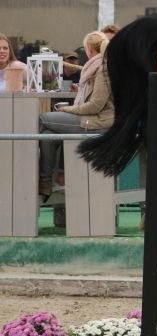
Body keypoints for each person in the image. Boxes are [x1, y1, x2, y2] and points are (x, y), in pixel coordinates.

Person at [38, 31, 113, 224]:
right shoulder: (97, 67)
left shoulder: (103, 69)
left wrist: (68, 109)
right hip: (92, 120)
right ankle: (45, 181)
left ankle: (34, 176)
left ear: (89, 50)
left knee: (43, 119)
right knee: (48, 133)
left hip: (98, 124)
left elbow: (95, 106)